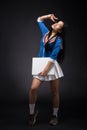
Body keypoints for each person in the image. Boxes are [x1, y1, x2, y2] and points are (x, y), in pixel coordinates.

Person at [29, 14, 65, 126]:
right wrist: (49, 16)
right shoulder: (45, 33)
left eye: (60, 25)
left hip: (51, 65)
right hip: (40, 64)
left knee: (54, 92)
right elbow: (39, 19)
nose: (56, 23)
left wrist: (45, 70)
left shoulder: (58, 40)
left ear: (59, 31)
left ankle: (55, 115)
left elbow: (53, 57)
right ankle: (31, 114)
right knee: (33, 88)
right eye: (57, 22)